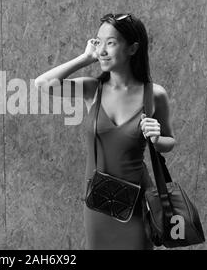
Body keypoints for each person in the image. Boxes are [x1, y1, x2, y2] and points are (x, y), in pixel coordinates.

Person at [34, 13, 176, 249]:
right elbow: (42, 84)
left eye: (110, 43)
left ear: (132, 49)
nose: (102, 50)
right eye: (99, 42)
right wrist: (84, 58)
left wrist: (157, 137)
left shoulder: (155, 94)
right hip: (99, 202)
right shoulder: (93, 89)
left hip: (138, 203)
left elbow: (169, 142)